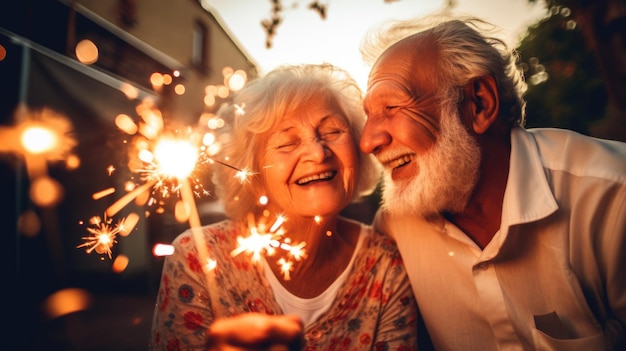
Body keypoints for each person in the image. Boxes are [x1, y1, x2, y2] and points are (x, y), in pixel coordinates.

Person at [359, 14, 626, 350]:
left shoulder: (614, 195)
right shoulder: (392, 232)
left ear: (479, 104)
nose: (368, 141)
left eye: (392, 106)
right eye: (368, 116)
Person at [150, 63, 418, 350]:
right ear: (252, 176)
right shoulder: (196, 259)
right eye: (287, 143)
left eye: (332, 131)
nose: (317, 152)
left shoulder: (386, 265)